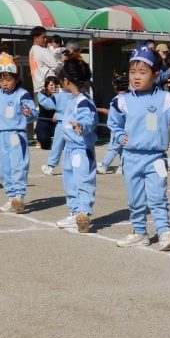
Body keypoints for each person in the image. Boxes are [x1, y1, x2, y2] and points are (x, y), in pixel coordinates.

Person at [107, 45, 170, 251]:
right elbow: (114, 122)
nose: (136, 77)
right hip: (130, 158)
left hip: (156, 158)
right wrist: (120, 136)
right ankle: (139, 232)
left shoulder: (166, 98)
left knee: (158, 196)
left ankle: (164, 232)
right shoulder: (121, 101)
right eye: (132, 72)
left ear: (155, 75)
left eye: (143, 72)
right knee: (135, 198)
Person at [0, 55, 38, 214]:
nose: (4, 83)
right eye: (1, 80)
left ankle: (19, 197)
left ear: (16, 78)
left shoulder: (22, 94)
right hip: (1, 136)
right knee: (4, 169)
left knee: (18, 166)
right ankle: (11, 197)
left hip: (16, 134)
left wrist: (29, 113)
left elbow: (33, 112)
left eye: (8, 79)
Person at [54, 59, 98, 234]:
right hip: (70, 148)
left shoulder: (83, 101)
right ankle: (74, 212)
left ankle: (83, 213)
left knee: (83, 181)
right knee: (70, 182)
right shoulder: (73, 99)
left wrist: (83, 127)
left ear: (65, 81)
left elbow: (88, 119)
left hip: (81, 149)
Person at [39, 77, 73, 176]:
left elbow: (47, 104)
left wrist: (40, 95)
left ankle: (50, 166)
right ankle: (73, 165)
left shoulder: (59, 96)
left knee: (57, 145)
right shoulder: (77, 95)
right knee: (72, 146)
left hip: (62, 123)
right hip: (74, 124)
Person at [97, 74, 129, 174]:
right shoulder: (131, 98)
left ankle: (104, 166)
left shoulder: (115, 101)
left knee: (113, 148)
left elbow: (112, 118)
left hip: (118, 129)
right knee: (122, 149)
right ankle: (123, 166)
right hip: (128, 129)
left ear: (115, 86)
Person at [28, 26, 63, 96]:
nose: (45, 39)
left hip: (38, 87)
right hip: (49, 88)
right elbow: (56, 65)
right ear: (35, 38)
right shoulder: (42, 50)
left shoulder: (32, 51)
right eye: (43, 37)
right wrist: (61, 61)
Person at [35, 77, 60, 151]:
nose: (54, 87)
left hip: (55, 122)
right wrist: (54, 96)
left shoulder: (60, 95)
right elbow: (48, 105)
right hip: (44, 122)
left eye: (55, 85)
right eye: (51, 85)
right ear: (46, 86)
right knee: (44, 140)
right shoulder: (42, 95)